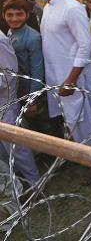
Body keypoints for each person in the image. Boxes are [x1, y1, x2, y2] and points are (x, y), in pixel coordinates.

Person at [30, 0, 91, 183]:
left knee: (85, 122)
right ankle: (84, 156)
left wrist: (71, 79)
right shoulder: (49, 6)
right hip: (58, 77)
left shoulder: (72, 8)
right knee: (72, 122)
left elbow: (85, 46)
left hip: (74, 79)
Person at [0, 28, 39, 185]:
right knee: (3, 152)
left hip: (4, 102)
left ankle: (35, 184)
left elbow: (10, 74)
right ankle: (15, 186)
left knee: (17, 149)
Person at [3, 0, 44, 100]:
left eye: (19, 14)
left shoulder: (33, 38)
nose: (14, 19)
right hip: (15, 90)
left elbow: (37, 70)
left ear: (27, 15)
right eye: (10, 15)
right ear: (3, 16)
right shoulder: (10, 31)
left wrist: (32, 100)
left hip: (28, 91)